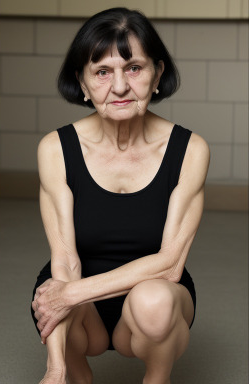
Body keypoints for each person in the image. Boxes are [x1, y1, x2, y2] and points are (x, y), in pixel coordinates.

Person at [31, 7, 210, 384]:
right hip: (84, 310)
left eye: (134, 68)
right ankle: (73, 377)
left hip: (154, 301)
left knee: (154, 300)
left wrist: (72, 293)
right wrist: (54, 369)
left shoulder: (190, 150)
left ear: (157, 74)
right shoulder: (55, 149)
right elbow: (64, 259)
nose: (120, 87)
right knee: (52, 286)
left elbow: (169, 265)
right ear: (81, 82)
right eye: (101, 72)